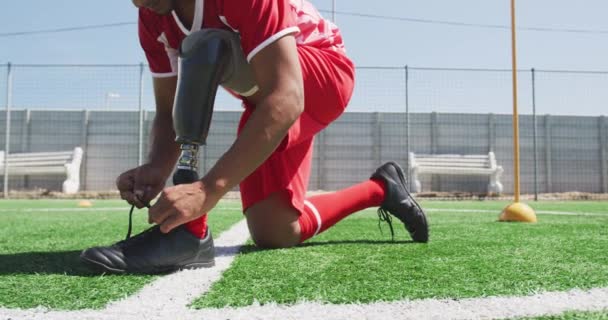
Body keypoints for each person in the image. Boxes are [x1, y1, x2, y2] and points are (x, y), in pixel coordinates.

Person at [80, 0, 429, 274]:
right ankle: (382, 189)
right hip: (265, 95)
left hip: (320, 76)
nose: (136, 2)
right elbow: (167, 111)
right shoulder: (152, 14)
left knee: (206, 43)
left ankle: (190, 233)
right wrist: (156, 167)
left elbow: (287, 97)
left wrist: (205, 190)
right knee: (276, 231)